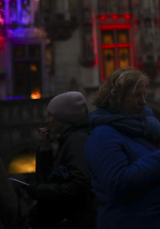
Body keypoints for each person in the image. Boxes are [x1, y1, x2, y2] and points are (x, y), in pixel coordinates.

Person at [85, 68, 160, 229]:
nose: (143, 101)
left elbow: (157, 174)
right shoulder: (103, 135)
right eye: (137, 95)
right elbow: (117, 183)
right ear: (117, 97)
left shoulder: (148, 130)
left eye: (144, 95)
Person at [23, 91, 96, 228]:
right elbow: (49, 177)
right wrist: (45, 148)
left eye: (50, 115)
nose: (47, 120)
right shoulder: (69, 139)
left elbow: (80, 185)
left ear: (63, 117)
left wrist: (40, 190)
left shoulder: (76, 140)